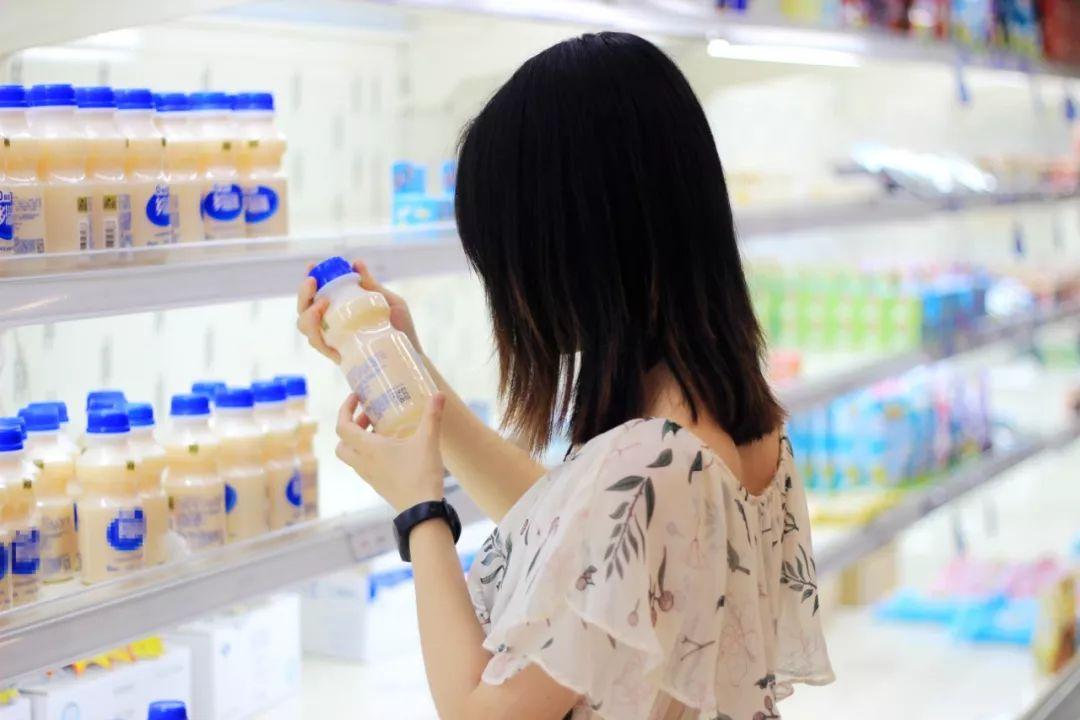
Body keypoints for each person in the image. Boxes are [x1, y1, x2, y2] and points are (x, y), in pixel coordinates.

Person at [296, 31, 833, 720]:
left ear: (575, 252)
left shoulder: (659, 458)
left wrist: (419, 510)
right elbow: (579, 541)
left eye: (508, 262)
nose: (509, 294)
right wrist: (411, 375)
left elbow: (480, 714)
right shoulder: (728, 428)